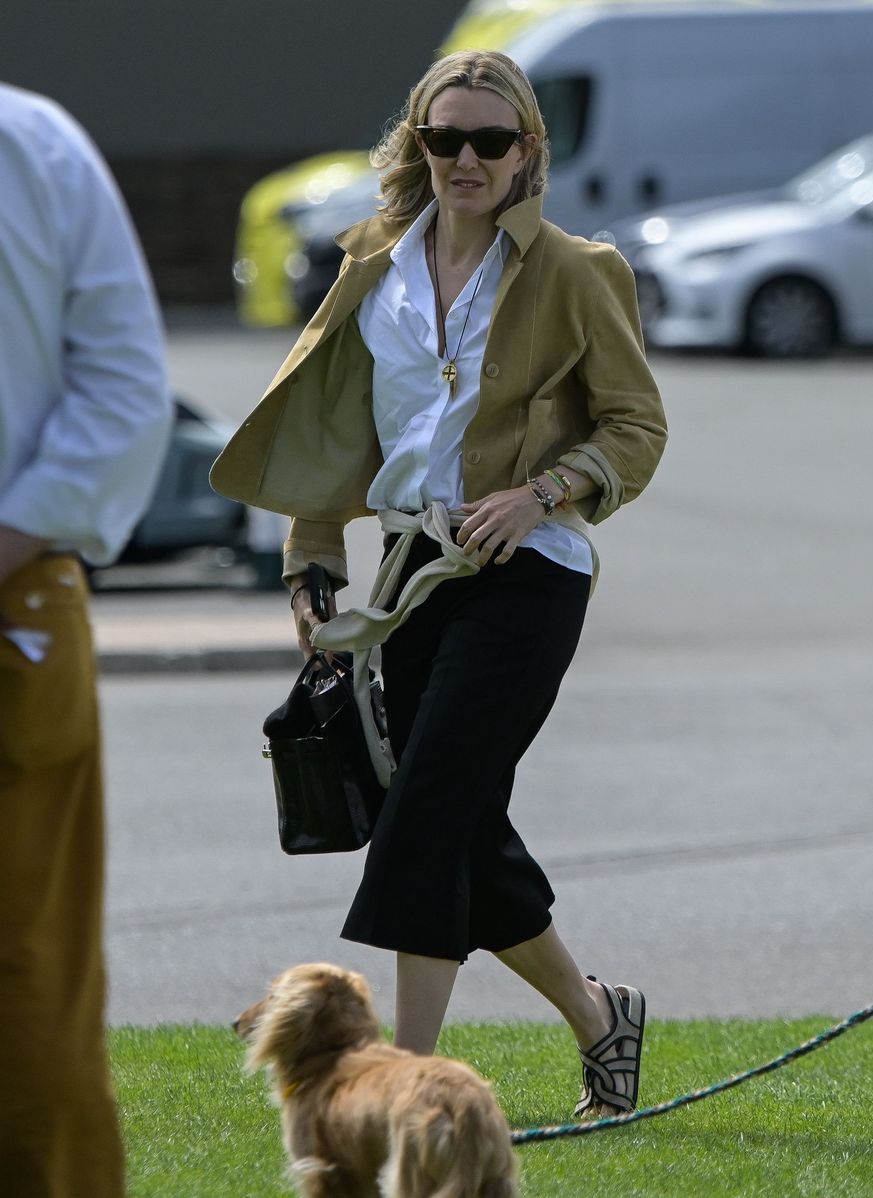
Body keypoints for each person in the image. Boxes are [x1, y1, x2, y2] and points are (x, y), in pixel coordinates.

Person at [211, 50, 667, 1118]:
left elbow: (636, 426)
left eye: (490, 141)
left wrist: (545, 492)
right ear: (416, 145)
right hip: (406, 577)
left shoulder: (573, 269)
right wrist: (311, 577)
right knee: (456, 820)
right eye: (444, 138)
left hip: (526, 573)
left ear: (526, 154)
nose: (465, 158)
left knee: (424, 812)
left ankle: (405, 1089)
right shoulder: (371, 261)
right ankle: (602, 1019)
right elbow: (326, 435)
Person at [0, 84, 171, 1195]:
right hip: (24, 595)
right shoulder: (35, 140)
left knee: (32, 986)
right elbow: (124, 392)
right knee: (33, 971)